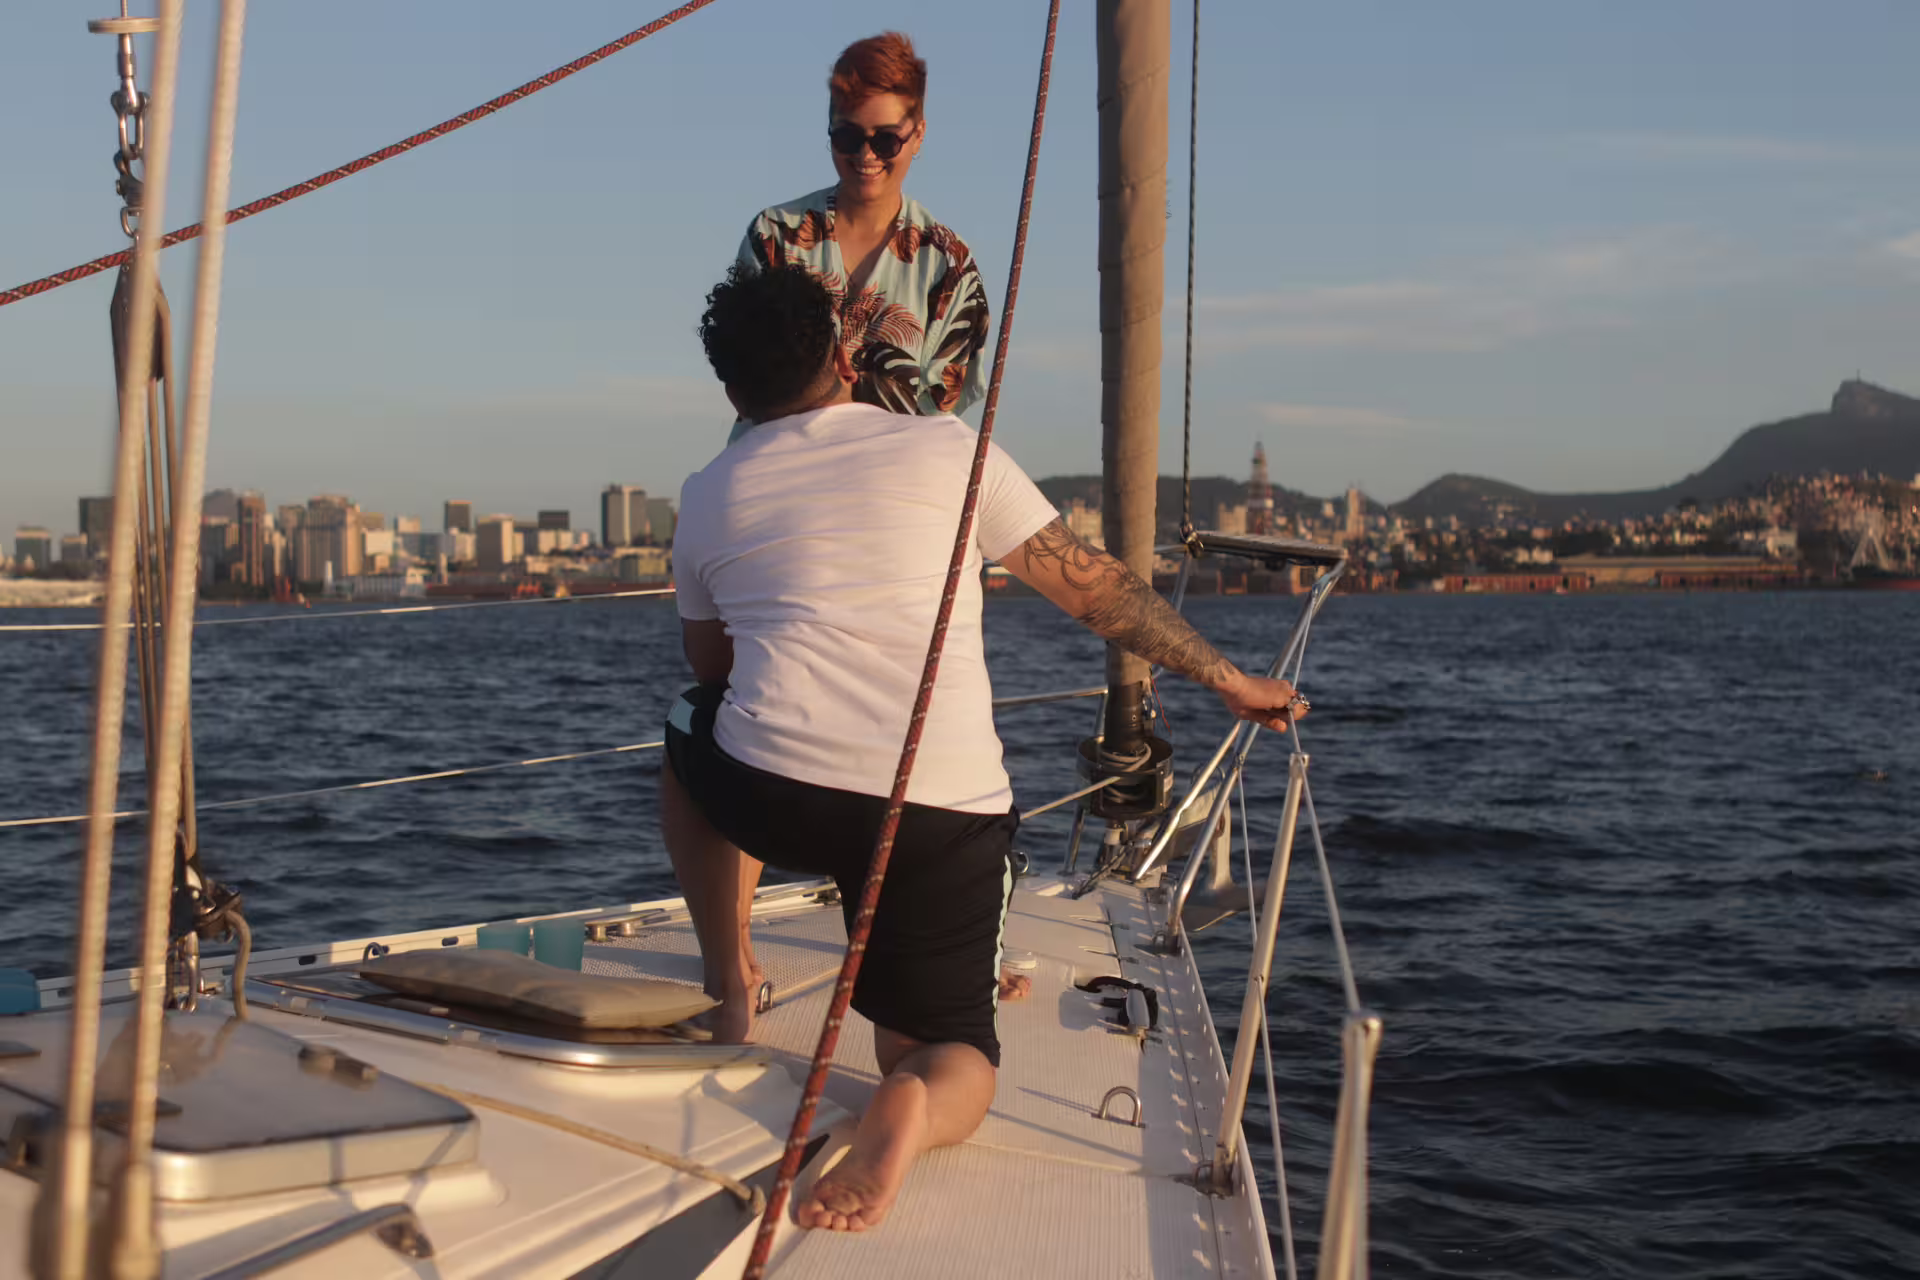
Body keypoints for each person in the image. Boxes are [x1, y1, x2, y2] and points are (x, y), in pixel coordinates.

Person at [661, 263, 1308, 1234]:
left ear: (730, 391)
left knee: (686, 731)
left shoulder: (709, 489)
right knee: (948, 1051)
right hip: (938, 813)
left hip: (781, 791)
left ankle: (729, 984)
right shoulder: (951, 449)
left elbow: (712, 662)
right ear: (845, 354)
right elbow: (1094, 590)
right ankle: (914, 1100)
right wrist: (1228, 679)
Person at [736, 31, 990, 420]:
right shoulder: (772, 236)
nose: (866, 155)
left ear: (918, 135)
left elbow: (936, 415)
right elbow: (746, 376)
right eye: (848, 137)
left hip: (893, 477)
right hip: (779, 470)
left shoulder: (949, 265)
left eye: (886, 140)